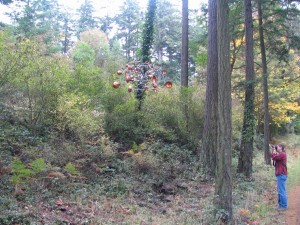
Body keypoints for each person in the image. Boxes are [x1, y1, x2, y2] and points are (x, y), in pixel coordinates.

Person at [271, 144, 288, 210]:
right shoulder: (280, 154)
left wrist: (273, 151)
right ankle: (281, 205)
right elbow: (275, 158)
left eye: (277, 147)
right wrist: (274, 150)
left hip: (281, 174)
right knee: (280, 191)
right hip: (280, 174)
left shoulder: (282, 154)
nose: (276, 147)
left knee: (282, 191)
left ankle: (284, 206)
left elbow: (273, 157)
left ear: (281, 148)